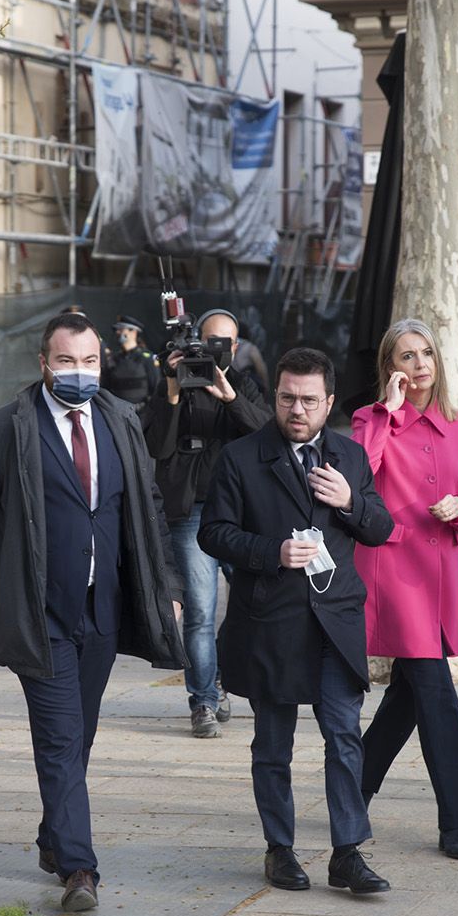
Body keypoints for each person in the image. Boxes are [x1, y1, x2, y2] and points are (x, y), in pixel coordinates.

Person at [0, 310, 185, 914]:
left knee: (81, 733)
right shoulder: (6, 428)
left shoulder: (121, 419)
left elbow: (147, 508)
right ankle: (79, 867)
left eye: (89, 361)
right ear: (43, 364)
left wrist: (166, 583)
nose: (79, 372)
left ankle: (52, 836)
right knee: (61, 738)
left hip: (102, 610)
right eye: (66, 361)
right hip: (38, 611)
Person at [200, 347, 395, 895]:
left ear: (329, 401)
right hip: (271, 619)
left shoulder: (349, 457)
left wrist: (351, 501)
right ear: (276, 397)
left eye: (310, 400)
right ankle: (280, 849)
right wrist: (270, 551)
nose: (297, 409)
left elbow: (380, 528)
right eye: (287, 398)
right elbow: (212, 533)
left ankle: (347, 851)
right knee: (273, 743)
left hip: (335, 620)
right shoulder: (241, 456)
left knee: (344, 733)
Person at [351, 319, 458, 860]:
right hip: (395, 571)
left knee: (409, 696)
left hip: (442, 573)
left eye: (426, 353)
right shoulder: (371, 418)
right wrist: (387, 410)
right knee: (435, 691)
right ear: (391, 368)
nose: (419, 364)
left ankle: (353, 787)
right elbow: (359, 475)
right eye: (406, 356)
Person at [143, 307, 272, 738]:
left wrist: (230, 399)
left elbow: (268, 438)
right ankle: (202, 701)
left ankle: (220, 676)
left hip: (241, 513)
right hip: (192, 513)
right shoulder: (175, 385)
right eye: (208, 342)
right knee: (199, 610)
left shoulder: (244, 385)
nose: (215, 351)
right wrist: (172, 389)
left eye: (224, 344)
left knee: (255, 605)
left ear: (235, 348)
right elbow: (156, 445)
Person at [100, 316, 160, 408]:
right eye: (116, 330)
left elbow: (156, 387)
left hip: (142, 412)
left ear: (133, 331)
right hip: (118, 412)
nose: (117, 332)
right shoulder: (113, 359)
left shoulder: (146, 358)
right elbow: (106, 386)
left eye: (121, 329)